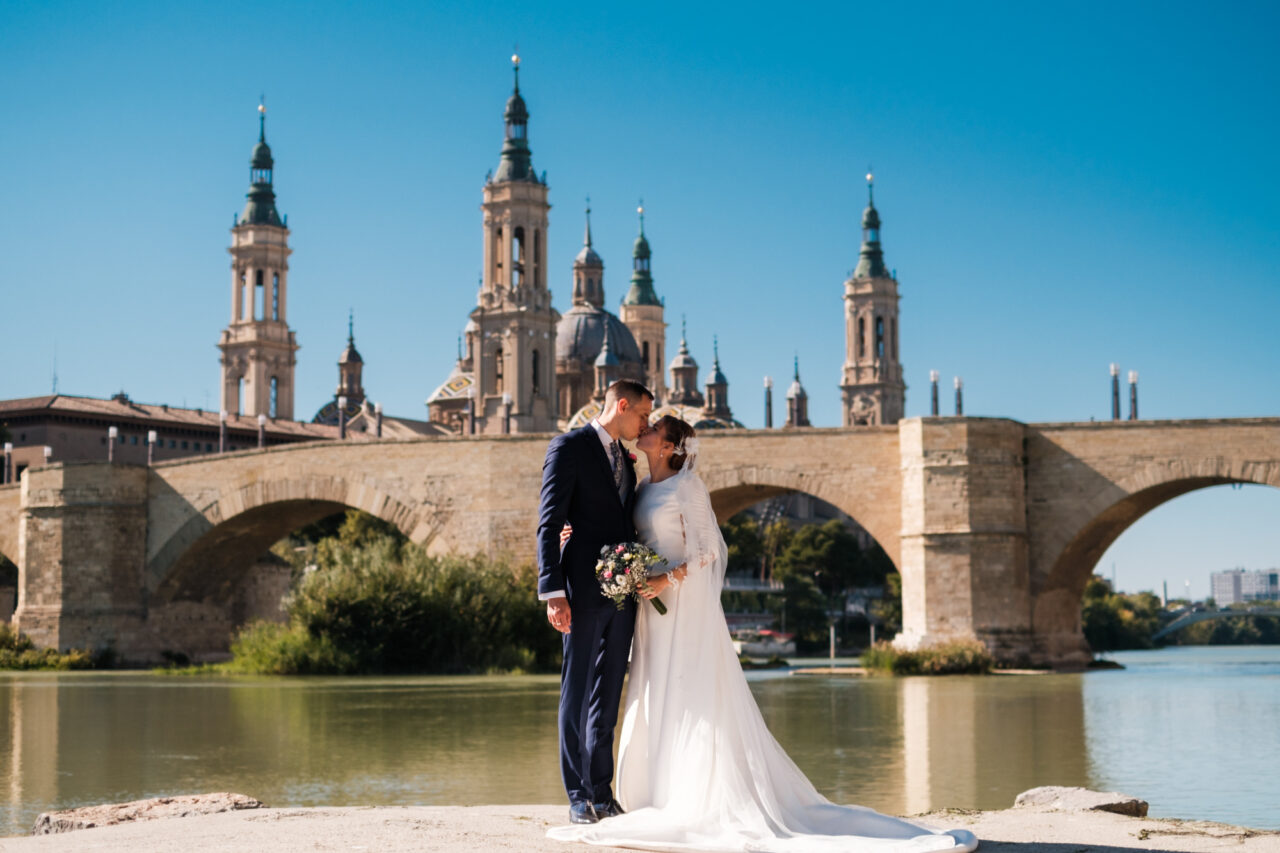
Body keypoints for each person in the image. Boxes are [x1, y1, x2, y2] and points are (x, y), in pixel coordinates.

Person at [549, 415, 979, 852]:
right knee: (653, 687)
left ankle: (696, 794)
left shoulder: (689, 487)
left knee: (689, 690)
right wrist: (578, 537)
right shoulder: (640, 486)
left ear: (669, 444)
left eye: (653, 426)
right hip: (649, 609)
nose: (645, 428)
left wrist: (667, 579)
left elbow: (709, 550)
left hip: (679, 602)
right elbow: (622, 528)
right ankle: (652, 793)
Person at [536, 379, 655, 825]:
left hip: (622, 597)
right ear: (621, 406)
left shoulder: (627, 459)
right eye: (642, 415)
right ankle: (576, 796)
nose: (645, 426)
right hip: (580, 593)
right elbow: (549, 525)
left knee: (607, 695)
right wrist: (553, 592)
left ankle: (603, 795)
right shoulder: (568, 447)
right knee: (577, 690)